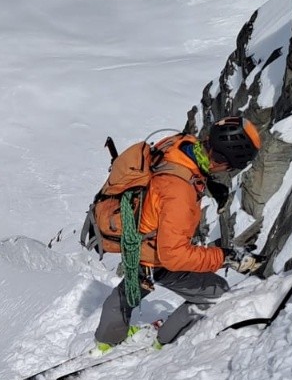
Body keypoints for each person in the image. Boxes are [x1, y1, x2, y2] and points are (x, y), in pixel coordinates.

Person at [93, 116, 265, 350]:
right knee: (216, 291)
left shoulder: (182, 143)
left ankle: (106, 340)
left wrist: (208, 182)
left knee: (133, 287)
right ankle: (167, 343)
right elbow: (174, 256)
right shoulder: (179, 194)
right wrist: (225, 256)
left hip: (140, 232)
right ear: (223, 161)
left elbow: (166, 173)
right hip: (155, 251)